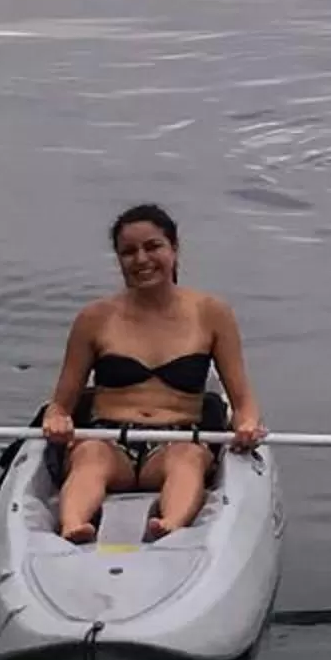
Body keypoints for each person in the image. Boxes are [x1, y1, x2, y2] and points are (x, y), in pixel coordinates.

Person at [40, 204, 266, 545]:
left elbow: (243, 402)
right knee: (89, 456)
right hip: (108, 440)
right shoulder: (94, 318)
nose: (141, 259)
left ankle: (170, 527)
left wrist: (247, 426)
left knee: (187, 459)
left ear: (174, 249)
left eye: (152, 247)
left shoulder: (212, 313)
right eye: (128, 252)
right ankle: (74, 525)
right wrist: (56, 420)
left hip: (179, 439)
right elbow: (60, 405)